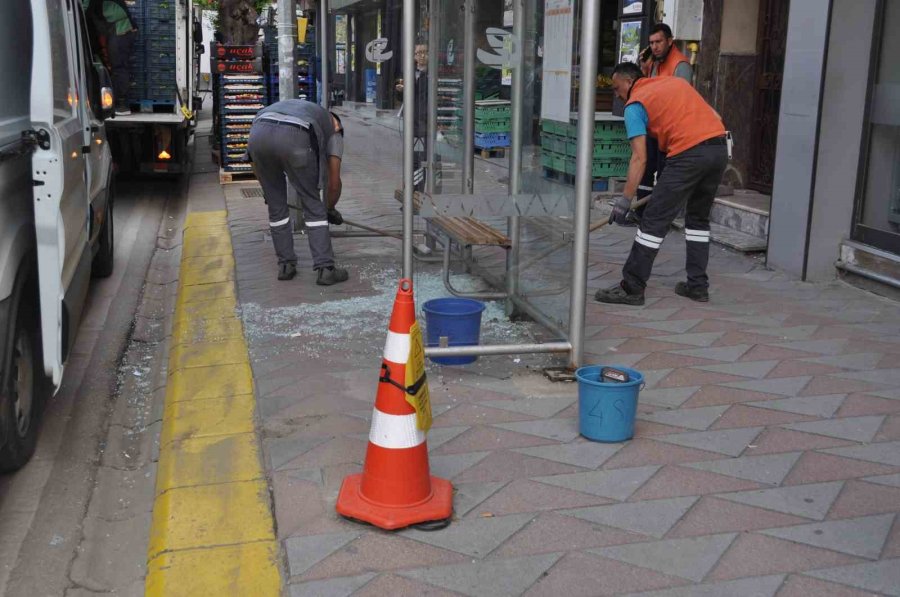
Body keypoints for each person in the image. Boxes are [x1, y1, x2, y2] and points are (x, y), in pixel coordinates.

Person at [595, 62, 727, 306]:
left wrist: (625, 200)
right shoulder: (675, 83)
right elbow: (716, 117)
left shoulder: (635, 105)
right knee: (698, 221)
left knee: (653, 220)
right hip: (718, 148)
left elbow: (639, 157)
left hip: (687, 153)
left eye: (616, 89)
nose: (617, 95)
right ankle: (697, 286)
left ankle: (632, 287)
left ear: (627, 82)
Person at [248, 100, 349, 284]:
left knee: (276, 206)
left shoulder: (303, 108)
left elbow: (253, 162)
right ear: (338, 125)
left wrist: (267, 190)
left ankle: (286, 266)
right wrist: (330, 209)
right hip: (295, 137)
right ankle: (325, 269)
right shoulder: (335, 130)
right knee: (312, 204)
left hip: (258, 133)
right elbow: (334, 183)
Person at [633, 24, 693, 216]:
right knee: (646, 169)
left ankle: (661, 213)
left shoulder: (680, 65)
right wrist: (643, 67)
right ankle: (641, 211)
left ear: (669, 41)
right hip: (653, 126)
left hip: (670, 130)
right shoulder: (653, 63)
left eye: (659, 42)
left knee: (663, 171)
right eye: (651, 43)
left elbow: (680, 100)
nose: (655, 47)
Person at [84, 0, 138, 115]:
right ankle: (114, 101)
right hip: (114, 28)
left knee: (118, 65)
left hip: (120, 28)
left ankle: (122, 104)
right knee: (114, 65)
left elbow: (83, 8)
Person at [396, 43, 429, 189]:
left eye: (425, 52)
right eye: (418, 53)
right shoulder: (409, 73)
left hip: (428, 121)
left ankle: (421, 193)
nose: (421, 56)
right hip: (413, 121)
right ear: (414, 56)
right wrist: (400, 91)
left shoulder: (432, 74)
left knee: (425, 159)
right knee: (413, 159)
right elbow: (403, 99)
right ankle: (412, 195)